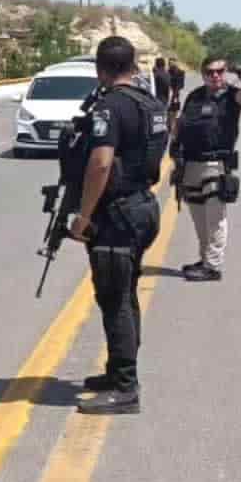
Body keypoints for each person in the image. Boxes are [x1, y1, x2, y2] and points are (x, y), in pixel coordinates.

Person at [68, 35, 166, 415]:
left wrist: (84, 216)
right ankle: (116, 373)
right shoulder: (151, 103)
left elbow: (101, 164)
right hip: (142, 206)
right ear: (134, 65)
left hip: (117, 216)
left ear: (100, 69)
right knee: (124, 294)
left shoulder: (110, 106)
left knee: (115, 300)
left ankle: (126, 388)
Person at [173, 57, 241, 282]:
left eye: (220, 71)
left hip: (216, 164)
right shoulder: (195, 96)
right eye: (210, 72)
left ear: (225, 71)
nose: (215, 76)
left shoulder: (231, 96)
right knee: (199, 217)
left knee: (215, 218)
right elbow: (180, 126)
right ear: (203, 74)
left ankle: (213, 266)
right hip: (191, 163)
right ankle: (205, 260)